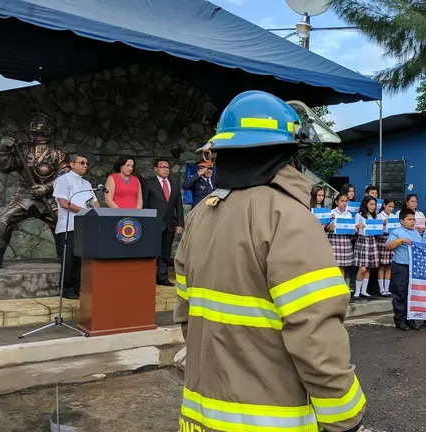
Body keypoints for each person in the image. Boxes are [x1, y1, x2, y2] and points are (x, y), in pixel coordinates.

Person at [173, 90, 365, 432]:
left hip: (200, 417)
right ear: (288, 153)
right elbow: (314, 334)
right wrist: (344, 418)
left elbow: (188, 319)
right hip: (270, 419)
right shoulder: (290, 218)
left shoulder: (200, 215)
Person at [0, 111, 70, 269]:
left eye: (41, 122)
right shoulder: (22, 148)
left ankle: (67, 258)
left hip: (49, 198)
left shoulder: (59, 152)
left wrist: (46, 187)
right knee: (3, 217)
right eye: (35, 122)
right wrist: (4, 150)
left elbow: (64, 176)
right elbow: (5, 166)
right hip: (24, 196)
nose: (36, 125)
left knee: (64, 223)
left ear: (50, 128)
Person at [52, 154, 99, 299]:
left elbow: (94, 202)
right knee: (70, 259)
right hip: (69, 225)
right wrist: (86, 211)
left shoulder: (86, 183)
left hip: (85, 225)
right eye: (82, 162)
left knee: (81, 259)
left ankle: (78, 287)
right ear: (72, 164)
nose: (85, 165)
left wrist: (96, 211)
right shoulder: (63, 180)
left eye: (87, 163)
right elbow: (64, 203)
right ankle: (66, 289)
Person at [142, 159, 184, 287]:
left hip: (170, 223)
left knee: (166, 252)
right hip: (154, 223)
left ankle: (162, 277)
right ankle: (147, 277)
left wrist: (180, 223)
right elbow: (144, 204)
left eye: (167, 167)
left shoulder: (174, 184)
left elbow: (179, 205)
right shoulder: (149, 183)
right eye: (162, 167)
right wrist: (145, 222)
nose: (166, 169)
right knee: (151, 251)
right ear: (156, 169)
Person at [386, 208, 423, 331]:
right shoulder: (396, 232)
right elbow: (388, 246)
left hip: (414, 267)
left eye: (414, 219)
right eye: (409, 219)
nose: (412, 222)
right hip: (401, 266)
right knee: (400, 293)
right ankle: (400, 319)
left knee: (411, 294)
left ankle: (410, 319)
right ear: (402, 221)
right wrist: (399, 241)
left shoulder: (416, 233)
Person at [353, 196, 380, 301]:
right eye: (371, 204)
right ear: (365, 204)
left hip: (372, 241)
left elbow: (377, 229)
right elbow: (354, 229)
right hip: (362, 241)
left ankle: (364, 290)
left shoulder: (375, 216)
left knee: (368, 267)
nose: (373, 207)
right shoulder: (359, 215)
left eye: (374, 205)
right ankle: (357, 291)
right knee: (362, 268)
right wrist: (357, 226)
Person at [376, 199, 395, 296]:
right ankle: (381, 289)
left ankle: (387, 289)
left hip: (391, 239)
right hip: (382, 239)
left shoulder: (394, 216)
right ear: (384, 205)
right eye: (389, 206)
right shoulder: (379, 216)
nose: (390, 209)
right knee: (382, 265)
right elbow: (375, 229)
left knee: (389, 266)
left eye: (392, 207)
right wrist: (382, 224)